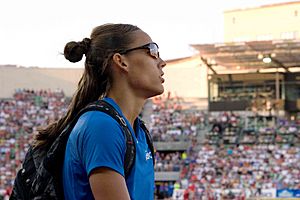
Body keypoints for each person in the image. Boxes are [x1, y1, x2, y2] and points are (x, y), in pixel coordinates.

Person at [33, 23, 166, 199]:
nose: (162, 62)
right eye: (152, 51)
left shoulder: (136, 129)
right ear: (121, 61)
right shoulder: (102, 126)